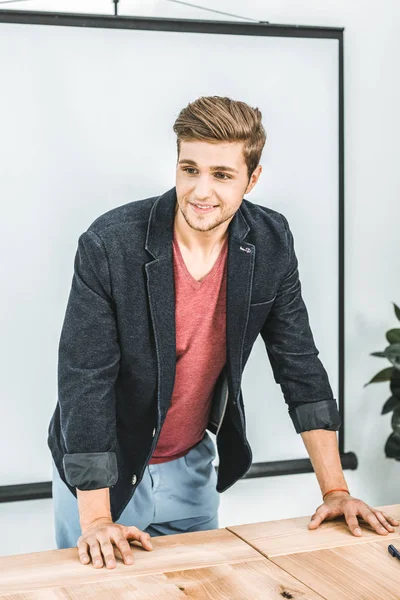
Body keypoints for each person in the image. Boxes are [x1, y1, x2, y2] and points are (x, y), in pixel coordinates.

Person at [47, 95, 399, 570]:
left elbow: (298, 363)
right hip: (99, 473)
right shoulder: (109, 244)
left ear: (252, 179)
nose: (200, 190)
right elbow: (84, 379)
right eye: (189, 169)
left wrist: (335, 490)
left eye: (222, 174)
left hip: (190, 467)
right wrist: (95, 519)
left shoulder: (272, 242)